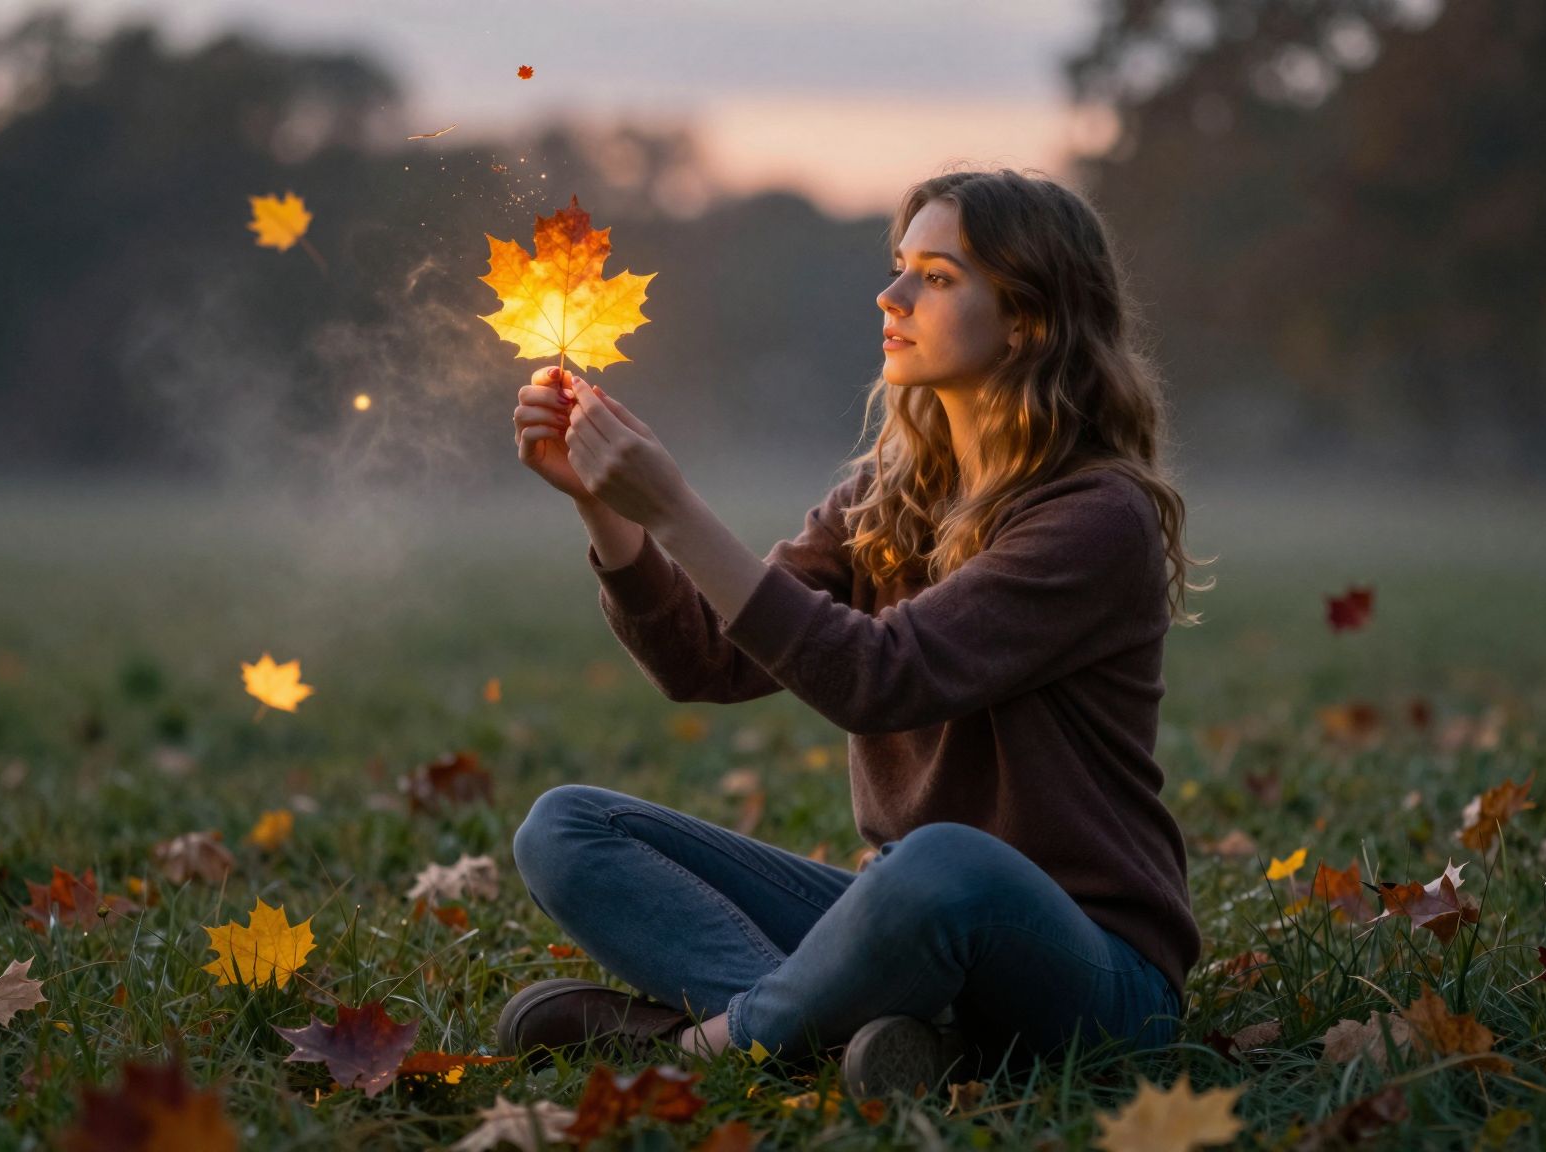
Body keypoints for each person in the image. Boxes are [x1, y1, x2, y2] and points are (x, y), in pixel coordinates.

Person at [501, 167, 1214, 1099]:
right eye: (898, 267)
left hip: (1093, 970)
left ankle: (704, 1046)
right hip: (903, 918)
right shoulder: (887, 497)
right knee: (567, 828)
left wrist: (675, 509)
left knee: (943, 864)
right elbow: (703, 661)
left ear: (1028, 320)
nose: (893, 295)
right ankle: (875, 1037)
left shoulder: (1094, 516)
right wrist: (607, 509)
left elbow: (880, 678)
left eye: (937, 276)